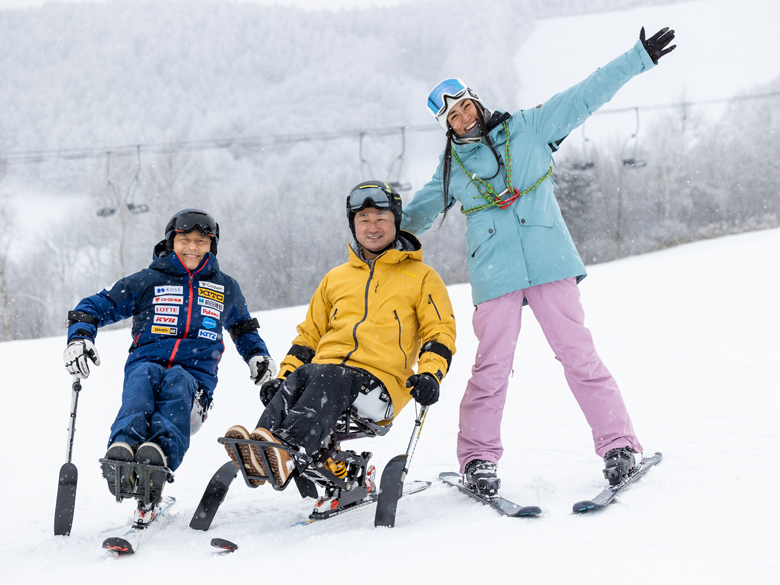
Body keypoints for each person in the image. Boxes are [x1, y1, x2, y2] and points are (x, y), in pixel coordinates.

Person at [401, 28, 677, 495]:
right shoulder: (451, 170)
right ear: (446, 126)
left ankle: (618, 446)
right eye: (453, 115)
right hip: (494, 273)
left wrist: (637, 58)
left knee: (580, 356)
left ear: (476, 101)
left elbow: (585, 95)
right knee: (490, 369)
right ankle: (478, 460)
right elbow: (414, 216)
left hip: (549, 261)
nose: (464, 117)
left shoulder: (528, 128)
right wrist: (375, 227)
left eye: (465, 105)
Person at [224, 180, 456, 490]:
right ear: (353, 226)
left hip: (380, 387)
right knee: (301, 377)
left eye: (381, 219)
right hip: (324, 375)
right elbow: (309, 337)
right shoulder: (336, 279)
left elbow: (439, 332)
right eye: (364, 220)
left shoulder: (422, 278)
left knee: (329, 376)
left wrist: (430, 375)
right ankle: (261, 450)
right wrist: (284, 375)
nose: (372, 227)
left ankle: (289, 450)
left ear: (396, 223)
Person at [63, 209, 276, 512]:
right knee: (144, 379)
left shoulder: (225, 286)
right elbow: (95, 306)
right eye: (185, 240)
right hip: (146, 363)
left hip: (195, 383)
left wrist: (258, 355)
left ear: (211, 246)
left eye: (201, 241)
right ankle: (122, 451)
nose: (192, 247)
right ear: (171, 242)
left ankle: (158, 459)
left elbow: (243, 327)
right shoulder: (147, 280)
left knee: (178, 381)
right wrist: (80, 336)